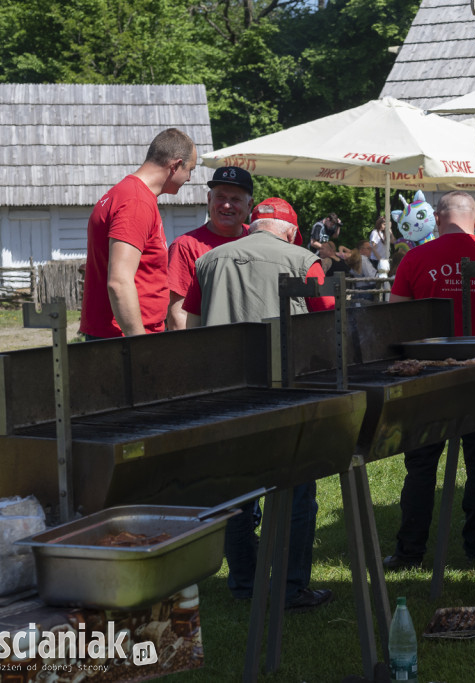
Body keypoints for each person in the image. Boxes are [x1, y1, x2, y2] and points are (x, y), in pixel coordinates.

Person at [183, 198, 336, 611]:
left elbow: (191, 328)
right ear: (289, 231)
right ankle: (290, 587)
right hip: (289, 393)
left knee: (236, 492)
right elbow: (329, 324)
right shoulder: (305, 261)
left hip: (225, 393)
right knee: (297, 491)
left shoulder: (208, 262)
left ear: (253, 225)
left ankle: (245, 583)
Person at [384, 191, 475, 569]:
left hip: (429, 370)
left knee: (421, 464)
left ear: (436, 217)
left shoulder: (416, 257)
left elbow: (396, 319)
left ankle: (410, 551)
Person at [80, 128, 196, 339]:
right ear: (176, 165)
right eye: (190, 170)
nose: (189, 179)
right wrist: (140, 344)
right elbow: (119, 282)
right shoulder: (136, 202)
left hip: (115, 335)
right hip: (123, 339)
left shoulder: (123, 193)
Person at [165, 166, 253, 330]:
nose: (226, 205)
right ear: (209, 199)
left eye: (235, 199)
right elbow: (178, 314)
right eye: (220, 197)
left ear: (249, 205)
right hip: (209, 344)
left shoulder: (257, 239)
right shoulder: (186, 245)